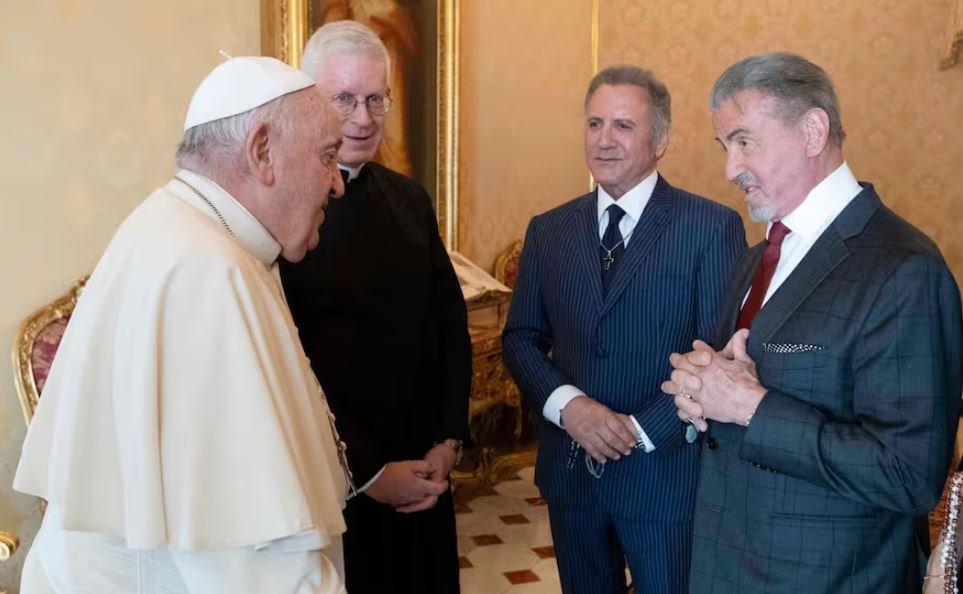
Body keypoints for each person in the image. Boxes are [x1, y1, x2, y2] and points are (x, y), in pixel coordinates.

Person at [14, 56, 350, 594]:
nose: (338, 184)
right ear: (263, 151)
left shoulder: (183, 228)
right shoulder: (206, 274)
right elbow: (249, 563)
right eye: (328, 156)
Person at [666, 52, 963, 594]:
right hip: (725, 563)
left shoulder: (905, 268)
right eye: (724, 146)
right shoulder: (754, 258)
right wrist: (700, 390)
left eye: (743, 141)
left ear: (812, 130)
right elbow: (737, 390)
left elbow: (909, 475)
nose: (730, 168)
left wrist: (751, 407)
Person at [501, 65, 746, 594]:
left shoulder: (710, 227)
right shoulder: (549, 230)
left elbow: (716, 355)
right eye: (594, 124)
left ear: (660, 140)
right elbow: (520, 337)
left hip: (666, 477)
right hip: (571, 474)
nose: (604, 140)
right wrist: (570, 407)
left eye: (623, 126)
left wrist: (634, 432)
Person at [278, 20, 471, 594]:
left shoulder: (408, 197)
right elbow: (292, 359)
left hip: (425, 469)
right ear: (310, 100)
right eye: (343, 99)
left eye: (374, 98)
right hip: (338, 485)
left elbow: (448, 324)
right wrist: (364, 475)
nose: (362, 118)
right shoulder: (283, 212)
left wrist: (448, 440)